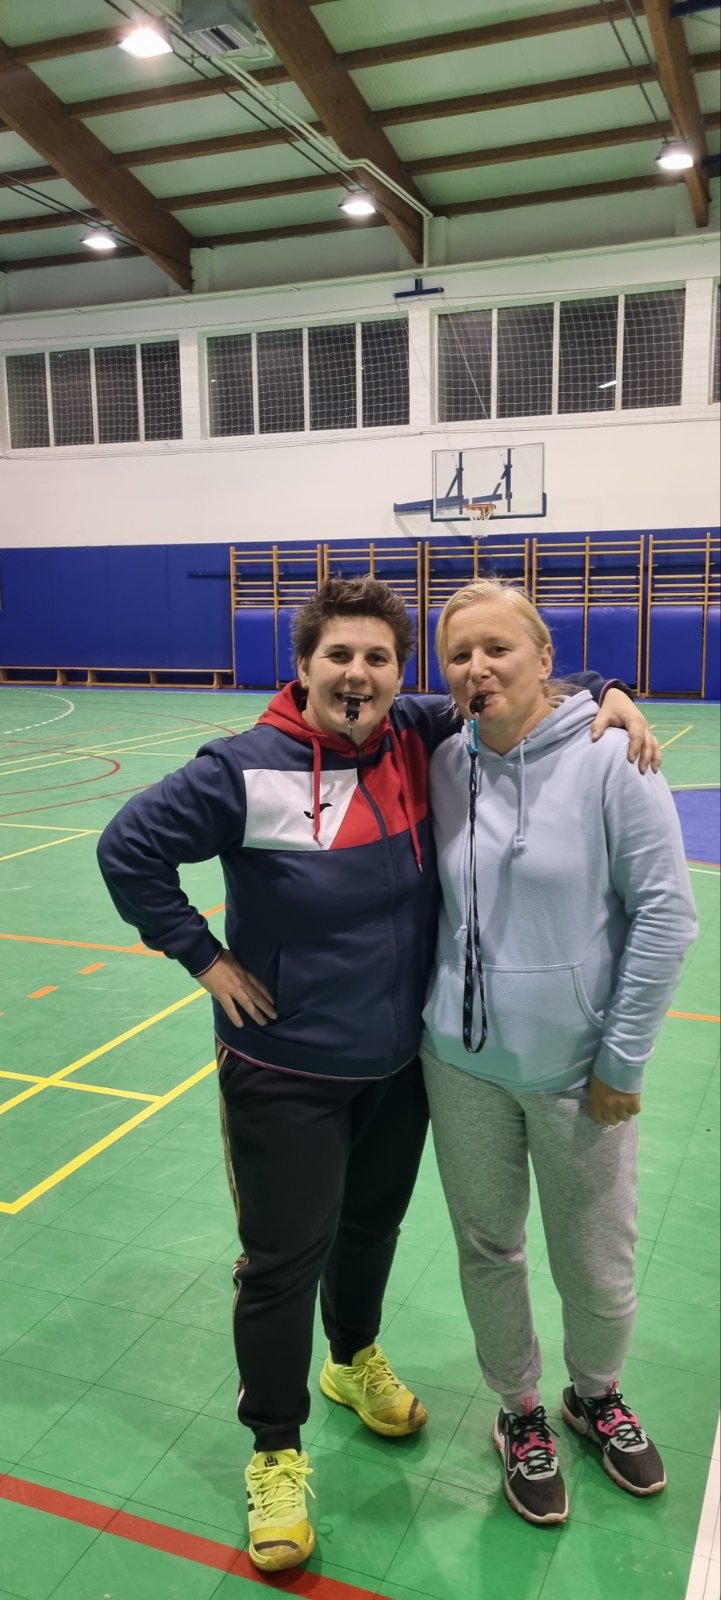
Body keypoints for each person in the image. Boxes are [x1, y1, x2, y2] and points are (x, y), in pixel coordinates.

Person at [96, 576, 659, 1572]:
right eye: (338, 656)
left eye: (377, 659)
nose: (356, 675)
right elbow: (127, 848)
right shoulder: (240, 770)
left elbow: (516, 680)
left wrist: (608, 687)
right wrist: (204, 956)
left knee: (370, 1230)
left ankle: (351, 1359)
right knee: (281, 1263)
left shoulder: (413, 732)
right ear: (302, 666)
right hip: (284, 1068)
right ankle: (274, 1449)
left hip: (399, 1063)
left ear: (400, 677)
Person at [421, 578, 697, 1529]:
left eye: (497, 648)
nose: (477, 667)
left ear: (546, 659)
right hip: (458, 1065)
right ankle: (520, 1411)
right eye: (458, 654)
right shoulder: (441, 760)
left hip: (579, 1074)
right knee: (488, 1250)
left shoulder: (611, 757)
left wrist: (621, 1057)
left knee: (595, 1263)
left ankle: (595, 1395)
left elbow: (666, 917)